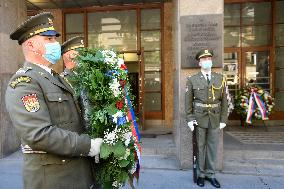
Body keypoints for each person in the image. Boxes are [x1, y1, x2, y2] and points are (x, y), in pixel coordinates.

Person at [5, 12, 103, 189]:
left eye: (54, 39)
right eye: (48, 39)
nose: (55, 44)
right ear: (31, 45)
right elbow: (39, 134)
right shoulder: (24, 83)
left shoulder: (57, 78)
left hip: (77, 176)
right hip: (53, 180)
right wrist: (88, 145)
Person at [185, 49, 228, 188]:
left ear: (212, 61)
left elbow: (224, 101)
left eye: (209, 58)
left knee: (212, 147)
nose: (207, 61)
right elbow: (188, 102)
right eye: (204, 59)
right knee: (201, 147)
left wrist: (223, 119)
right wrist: (190, 119)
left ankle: (211, 174)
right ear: (199, 63)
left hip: (215, 118)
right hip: (199, 118)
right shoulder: (192, 79)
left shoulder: (220, 78)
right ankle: (201, 174)